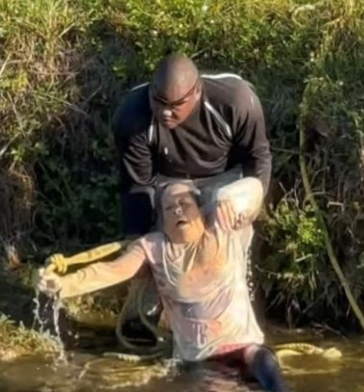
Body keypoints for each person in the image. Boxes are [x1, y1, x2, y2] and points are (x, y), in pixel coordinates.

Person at [35, 177, 288, 392]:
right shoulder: (154, 246)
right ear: (162, 221)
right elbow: (110, 271)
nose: (178, 210)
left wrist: (225, 196)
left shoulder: (223, 223)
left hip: (245, 346)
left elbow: (255, 187)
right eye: (169, 208)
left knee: (264, 363)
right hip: (199, 358)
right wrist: (62, 284)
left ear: (200, 209)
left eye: (184, 203)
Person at [112, 53, 272, 339]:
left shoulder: (235, 99)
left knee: (228, 228)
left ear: (196, 93)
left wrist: (249, 208)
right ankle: (141, 321)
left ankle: (233, 326)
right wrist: (138, 237)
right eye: (158, 102)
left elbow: (257, 160)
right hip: (170, 183)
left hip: (225, 180)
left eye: (175, 106)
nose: (164, 113)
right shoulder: (132, 116)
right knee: (159, 245)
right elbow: (138, 186)